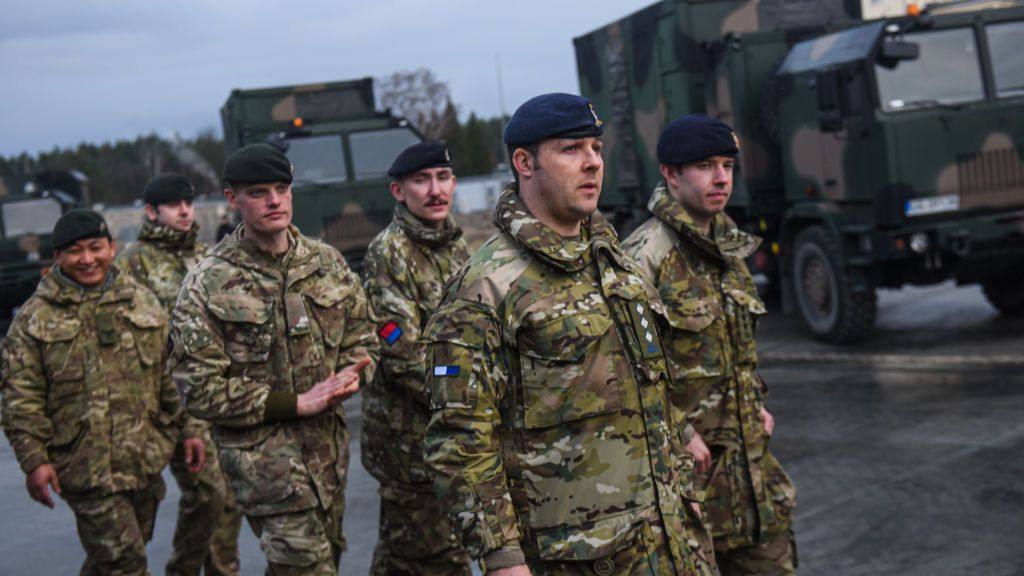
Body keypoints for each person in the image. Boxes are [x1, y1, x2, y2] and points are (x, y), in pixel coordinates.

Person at [422, 93, 714, 575]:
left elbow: (647, 385)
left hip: (665, 541)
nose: (592, 163)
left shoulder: (611, 259)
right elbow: (458, 439)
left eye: (596, 148)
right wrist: (502, 558)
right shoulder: (487, 285)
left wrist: (681, 486)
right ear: (524, 162)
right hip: (578, 556)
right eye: (572, 149)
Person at [169, 142, 378, 575]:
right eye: (259, 192)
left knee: (323, 559)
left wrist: (355, 374)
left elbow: (364, 337)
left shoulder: (327, 263)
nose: (275, 201)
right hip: (265, 468)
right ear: (232, 198)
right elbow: (198, 389)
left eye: (282, 188)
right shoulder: (207, 283)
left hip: (329, 459)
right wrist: (294, 403)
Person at [622, 115, 797, 575]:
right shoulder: (644, 257)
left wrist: (752, 400)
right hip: (687, 484)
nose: (721, 178)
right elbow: (625, 372)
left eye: (727, 165)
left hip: (751, 479)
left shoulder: (729, 249)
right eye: (704, 166)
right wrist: (679, 431)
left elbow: (733, 349)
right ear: (671, 174)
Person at [1, 209, 184, 574]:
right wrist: (34, 460)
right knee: (125, 562)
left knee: (113, 559)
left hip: (144, 459)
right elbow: (20, 398)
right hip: (85, 467)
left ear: (112, 247)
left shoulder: (141, 301)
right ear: (57, 258)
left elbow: (169, 373)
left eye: (95, 247)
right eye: (74, 251)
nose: (87, 259)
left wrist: (189, 431)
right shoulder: (34, 320)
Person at [117, 173, 242, 576]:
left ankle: (221, 570)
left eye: (188, 203)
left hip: (212, 394)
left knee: (225, 500)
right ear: (151, 212)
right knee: (202, 493)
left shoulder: (206, 255)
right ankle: (183, 568)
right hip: (161, 400)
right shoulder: (131, 262)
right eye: (174, 205)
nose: (185, 210)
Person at [361, 141, 473, 575]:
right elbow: (404, 353)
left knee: (404, 554)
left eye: (443, 177)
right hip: (410, 444)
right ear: (398, 191)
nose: (435, 190)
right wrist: (468, 389)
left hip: (453, 432)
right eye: (421, 180)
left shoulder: (459, 247)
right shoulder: (388, 253)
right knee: (440, 557)